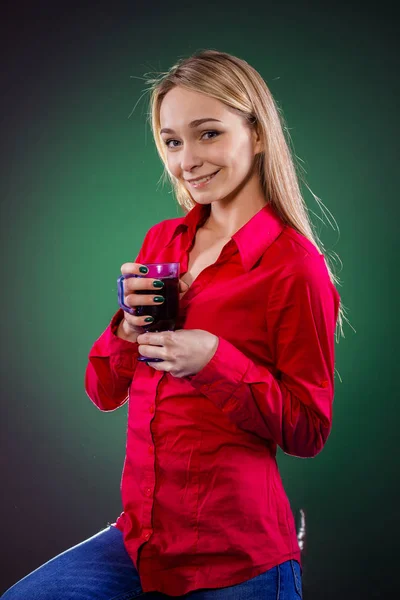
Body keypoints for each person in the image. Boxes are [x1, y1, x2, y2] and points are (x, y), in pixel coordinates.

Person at [2, 49, 343, 600]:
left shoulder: (294, 267)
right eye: (172, 141)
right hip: (140, 543)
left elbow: (309, 430)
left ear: (257, 134)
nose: (188, 159)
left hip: (238, 561)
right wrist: (125, 333)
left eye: (208, 134)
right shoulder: (164, 242)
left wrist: (216, 361)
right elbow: (103, 391)